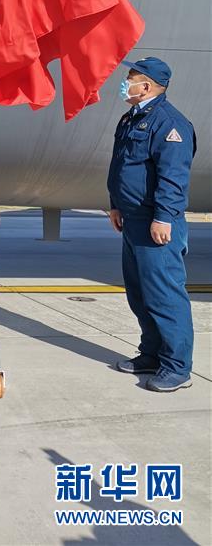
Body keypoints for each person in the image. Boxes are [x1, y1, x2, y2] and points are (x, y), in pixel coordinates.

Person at [107, 57, 197, 393]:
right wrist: (115, 205)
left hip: (155, 222)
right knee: (140, 294)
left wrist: (163, 216)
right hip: (132, 220)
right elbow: (122, 166)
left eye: (130, 78)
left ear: (146, 86)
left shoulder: (170, 124)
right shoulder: (132, 118)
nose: (124, 83)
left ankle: (177, 367)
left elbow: (172, 176)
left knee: (164, 296)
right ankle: (151, 355)